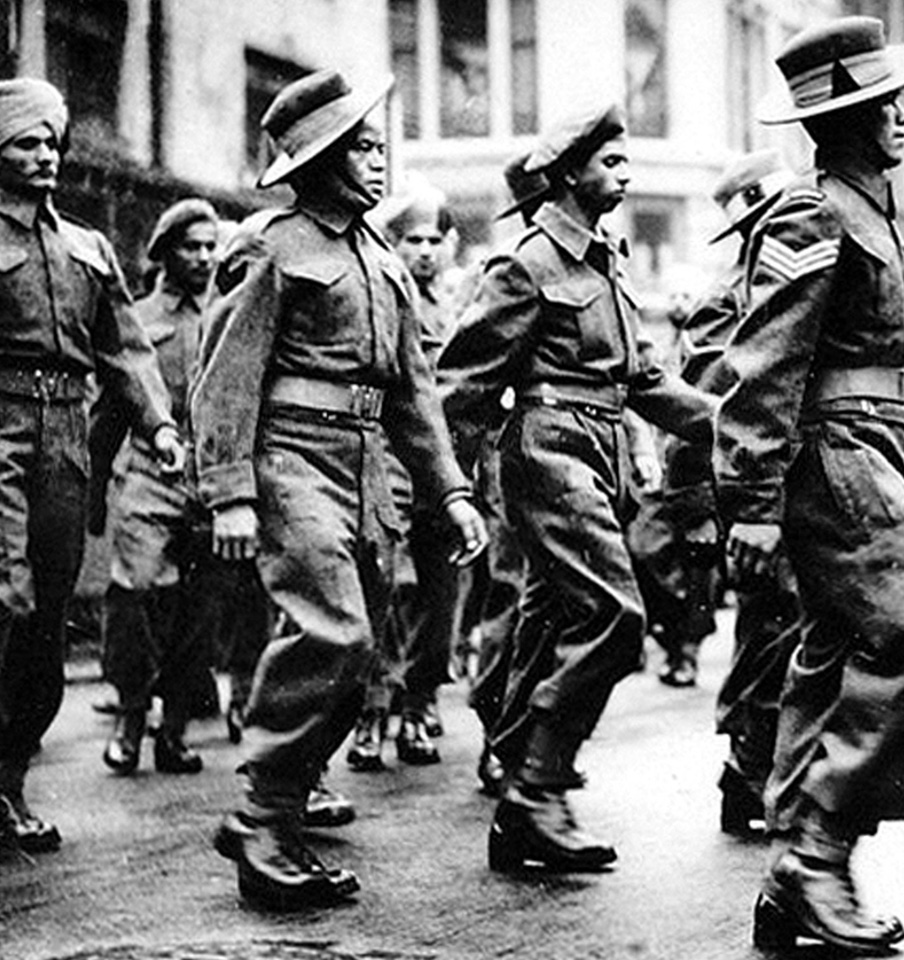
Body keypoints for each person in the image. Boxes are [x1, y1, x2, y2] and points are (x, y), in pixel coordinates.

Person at [715, 17, 904, 954]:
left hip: (876, 447)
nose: (900, 117)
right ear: (845, 122)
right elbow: (763, 370)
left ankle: (800, 870)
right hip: (833, 452)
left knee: (835, 653)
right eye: (881, 105)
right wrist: (757, 506)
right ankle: (816, 854)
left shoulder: (875, 224)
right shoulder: (815, 216)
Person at [196, 70, 487, 909]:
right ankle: (262, 811)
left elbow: (414, 398)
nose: (377, 160)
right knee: (336, 631)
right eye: (360, 148)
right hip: (290, 458)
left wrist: (452, 493)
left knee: (361, 655)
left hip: (363, 467)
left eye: (378, 144)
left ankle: (275, 818)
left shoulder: (382, 260)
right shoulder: (270, 244)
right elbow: (227, 376)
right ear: (318, 161)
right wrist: (231, 492)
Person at [439, 103, 715, 874]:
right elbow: (457, 385)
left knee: (562, 614)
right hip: (547, 451)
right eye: (610, 162)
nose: (626, 173)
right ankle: (537, 789)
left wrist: (738, 424)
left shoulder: (607, 266)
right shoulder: (525, 265)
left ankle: (526, 791)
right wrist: (450, 488)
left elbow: (649, 384)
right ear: (565, 174)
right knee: (614, 614)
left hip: (598, 455)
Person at [0, 78, 185, 863]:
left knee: (48, 611)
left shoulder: (89, 247)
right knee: (0, 596)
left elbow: (125, 350)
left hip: (66, 438)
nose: (45, 156)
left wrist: (157, 424)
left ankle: (13, 780)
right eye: (27, 144)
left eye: (52, 142)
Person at [667, 149, 804, 835]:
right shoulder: (728, 299)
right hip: (749, 488)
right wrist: (698, 508)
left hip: (792, 481)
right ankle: (749, 772)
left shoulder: (781, 285)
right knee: (770, 630)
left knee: (789, 626)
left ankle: (761, 771)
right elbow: (702, 401)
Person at [97, 197, 226, 777]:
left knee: (197, 611)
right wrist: (96, 480)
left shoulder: (233, 313)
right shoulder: (140, 319)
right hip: (149, 476)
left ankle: (173, 731)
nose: (202, 257)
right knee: (135, 592)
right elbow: (112, 408)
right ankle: (129, 715)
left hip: (213, 480)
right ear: (164, 252)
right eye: (189, 246)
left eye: (209, 246)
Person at [345, 188, 462, 771]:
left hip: (440, 468)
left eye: (433, 241)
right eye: (411, 240)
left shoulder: (456, 308)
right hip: (386, 460)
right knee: (385, 591)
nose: (423, 251)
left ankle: (419, 703)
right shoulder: (380, 299)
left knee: (442, 599)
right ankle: (371, 710)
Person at [456, 151, 545, 798]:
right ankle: (498, 734)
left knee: (553, 606)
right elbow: (465, 383)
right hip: (511, 460)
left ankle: (530, 743)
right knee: (512, 598)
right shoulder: (506, 273)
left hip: (572, 466)